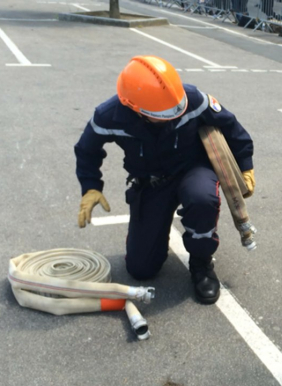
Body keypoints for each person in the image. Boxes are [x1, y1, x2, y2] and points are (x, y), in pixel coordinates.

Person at [75, 56, 255, 305]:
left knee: (202, 198)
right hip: (150, 181)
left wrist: (245, 165)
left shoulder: (192, 99)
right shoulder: (109, 116)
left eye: (176, 109)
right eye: (163, 114)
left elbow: (231, 126)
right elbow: (87, 150)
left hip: (193, 169)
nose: (172, 115)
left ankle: (201, 262)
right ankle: (153, 239)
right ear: (134, 108)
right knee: (141, 269)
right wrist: (91, 186)